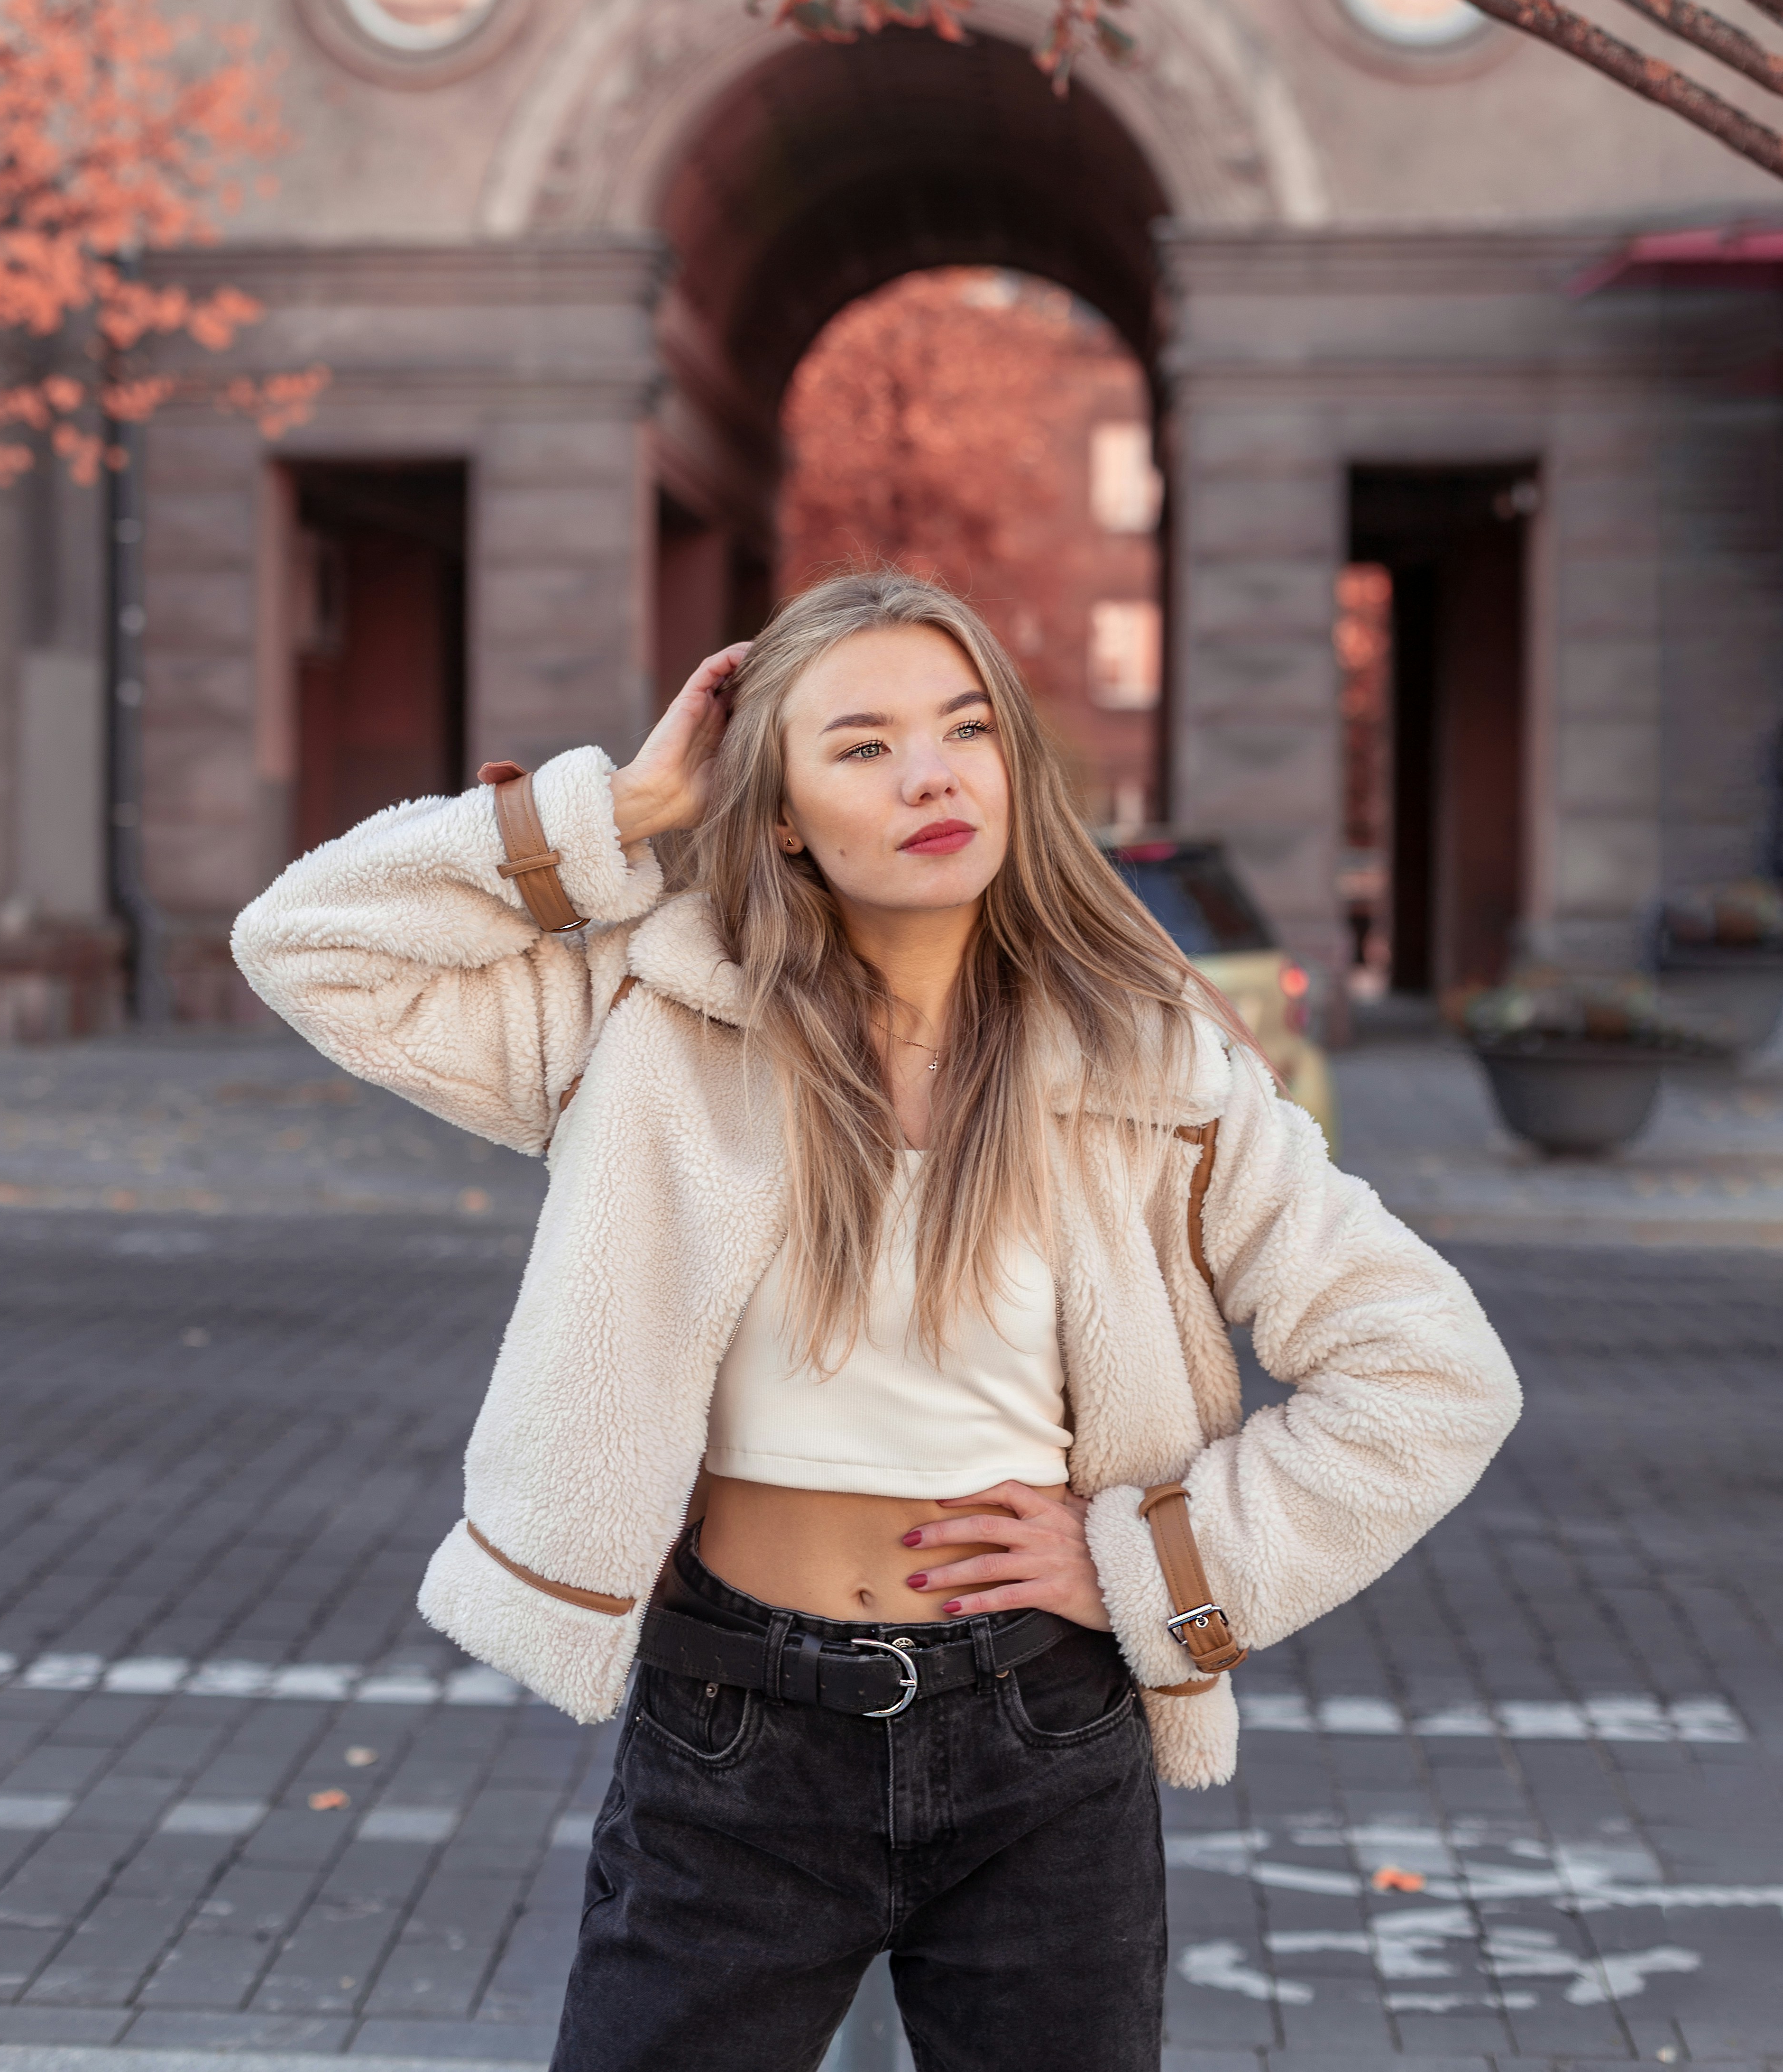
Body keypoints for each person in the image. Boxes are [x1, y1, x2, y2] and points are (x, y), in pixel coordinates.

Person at [232, 568, 1520, 2072]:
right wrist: (628, 807)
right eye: (862, 745)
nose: (932, 775)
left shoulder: (1147, 1062)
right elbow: (309, 941)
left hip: (1042, 1736)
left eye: (966, 729)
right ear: (779, 812)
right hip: (736, 1735)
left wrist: (1157, 1566)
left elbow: (1434, 1371)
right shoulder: (645, 1023)